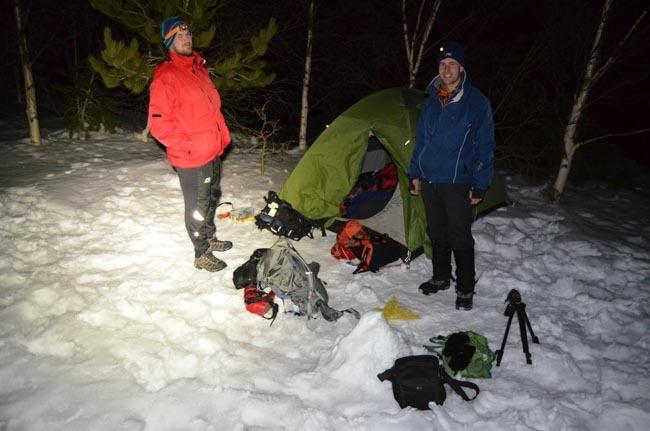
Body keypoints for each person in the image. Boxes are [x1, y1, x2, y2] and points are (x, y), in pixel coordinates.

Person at [408, 41, 495, 310]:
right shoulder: (432, 100)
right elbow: (420, 139)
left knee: (459, 235)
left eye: (452, 64)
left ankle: (465, 287)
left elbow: (485, 144)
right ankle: (441, 277)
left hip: (457, 180)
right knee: (437, 232)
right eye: (443, 64)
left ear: (461, 68)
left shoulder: (476, 102)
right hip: (430, 178)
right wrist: (415, 172)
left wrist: (480, 184)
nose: (447, 69)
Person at [148, 17, 233, 272]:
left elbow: (210, 111)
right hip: (192, 157)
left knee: (210, 199)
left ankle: (209, 237)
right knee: (197, 207)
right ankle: (201, 254)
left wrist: (221, 138)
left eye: (188, 34)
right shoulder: (167, 76)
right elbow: (159, 124)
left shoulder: (198, 70)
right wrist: (190, 145)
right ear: (169, 42)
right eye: (179, 36)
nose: (186, 39)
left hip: (212, 151)